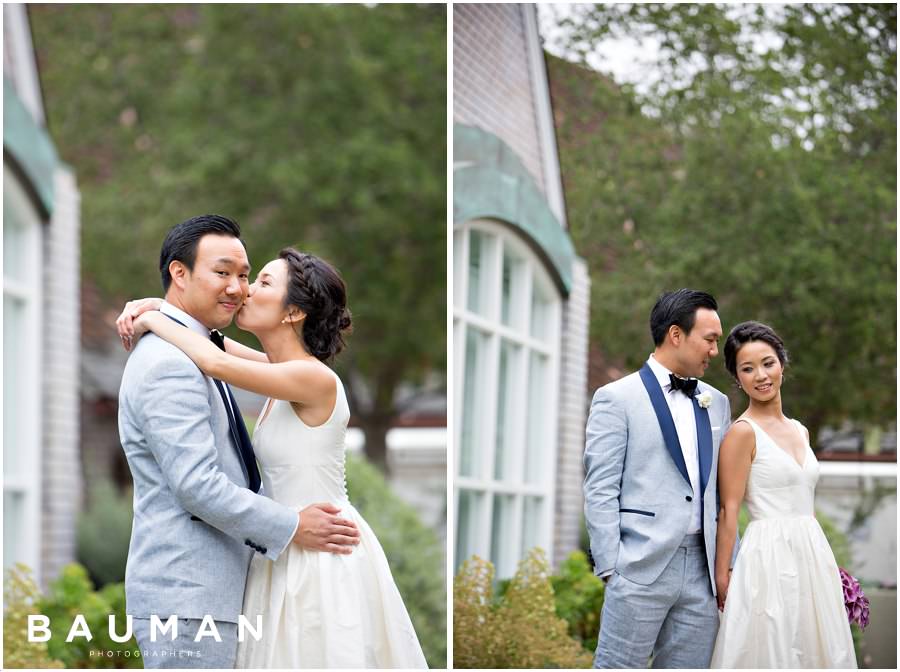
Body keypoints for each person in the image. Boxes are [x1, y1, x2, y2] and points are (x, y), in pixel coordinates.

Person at [119, 240, 427, 668]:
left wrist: (153, 317)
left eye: (261, 281)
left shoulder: (311, 378)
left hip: (319, 545)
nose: (244, 290)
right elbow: (215, 345)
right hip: (283, 543)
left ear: (293, 312)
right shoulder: (279, 371)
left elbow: (213, 360)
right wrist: (163, 307)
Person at [583, 288, 733, 668]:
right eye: (710, 339)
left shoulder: (718, 403)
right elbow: (600, 487)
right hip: (639, 567)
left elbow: (722, 490)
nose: (715, 351)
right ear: (676, 334)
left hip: (703, 572)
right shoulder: (616, 398)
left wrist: (726, 565)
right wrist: (611, 567)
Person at [710, 321, 856, 668]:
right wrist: (723, 577)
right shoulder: (742, 433)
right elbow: (729, 510)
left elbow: (805, 501)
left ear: (782, 364)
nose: (760, 375)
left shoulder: (801, 430)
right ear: (738, 378)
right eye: (747, 368)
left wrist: (827, 565)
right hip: (767, 558)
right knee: (772, 648)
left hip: (811, 552)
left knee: (817, 648)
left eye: (767, 363)